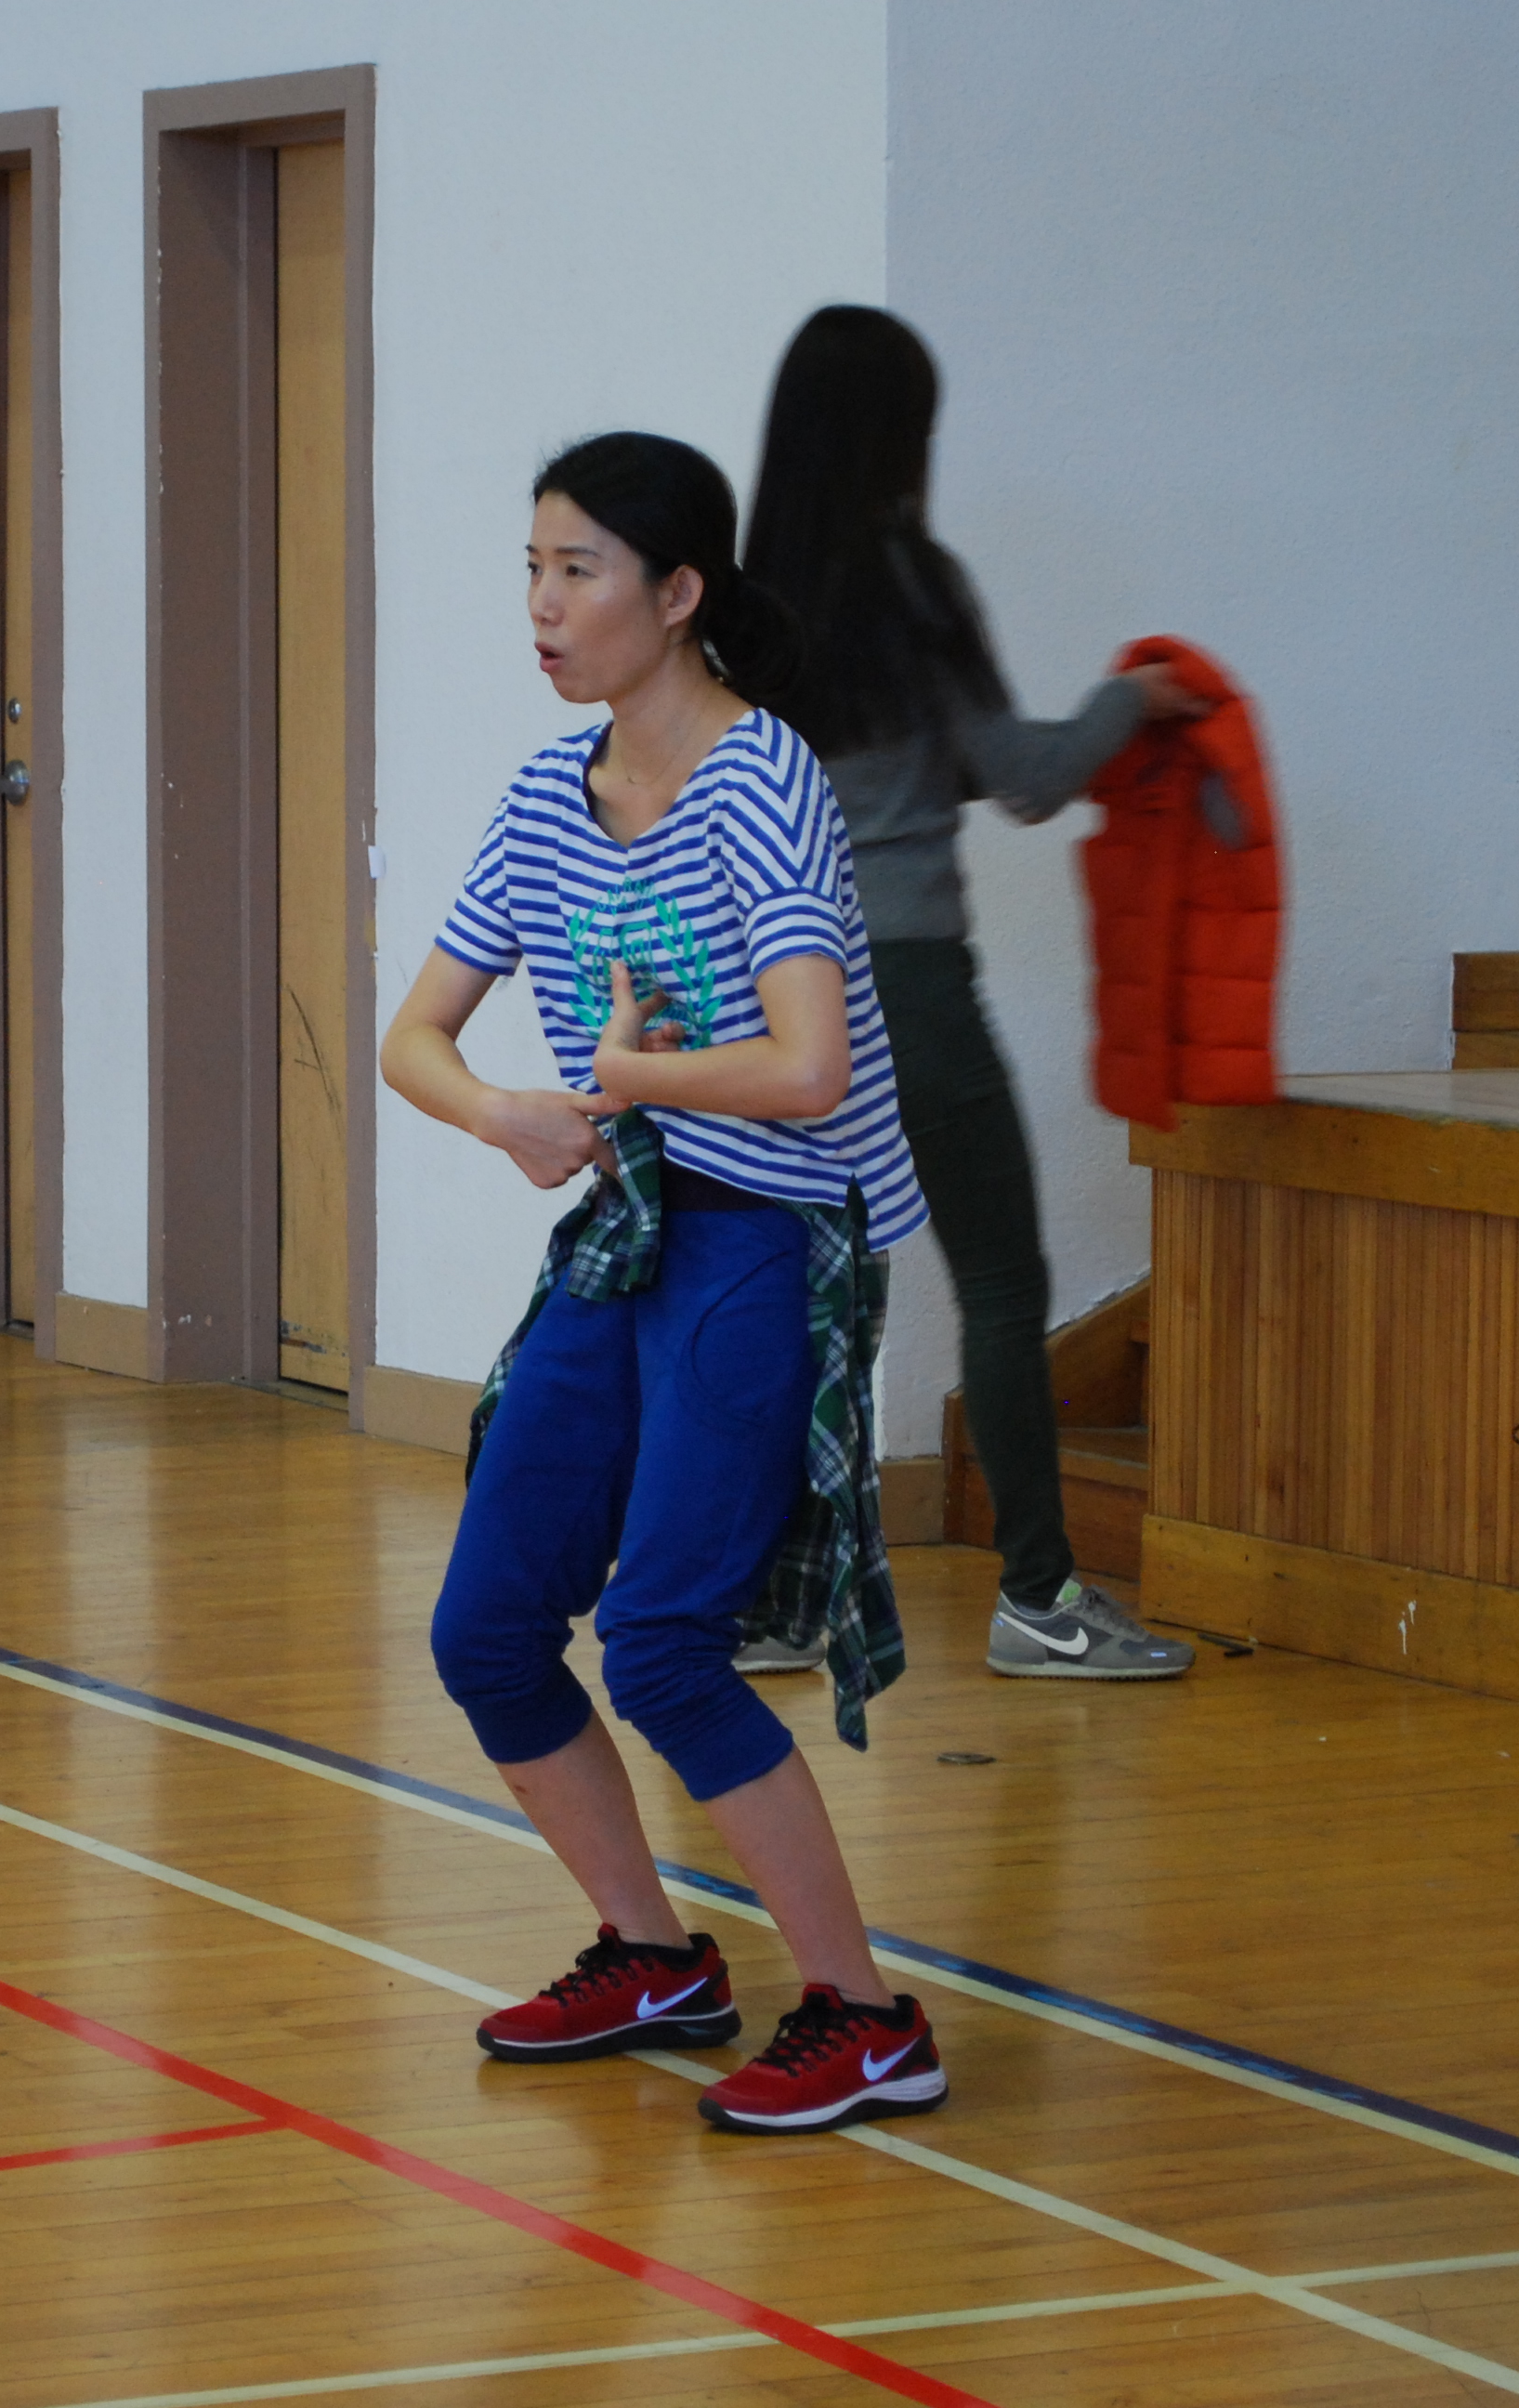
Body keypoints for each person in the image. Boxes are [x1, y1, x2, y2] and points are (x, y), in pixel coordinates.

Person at [383, 431, 942, 2136]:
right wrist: (506, 1114)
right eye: (532, 571)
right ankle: (654, 1956)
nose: (544, 608)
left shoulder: (762, 782)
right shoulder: (547, 796)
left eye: (581, 572)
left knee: (664, 1644)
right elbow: (416, 1035)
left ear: (679, 592)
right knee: (488, 1631)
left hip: (771, 1234)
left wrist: (625, 1077)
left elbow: (809, 1071)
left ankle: (867, 2017)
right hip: (631, 1230)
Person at [741, 303, 1198, 1682]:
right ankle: (1039, 1600)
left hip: (769, 991)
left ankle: (769, 1603)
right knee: (1001, 1281)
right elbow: (1030, 776)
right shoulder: (911, 585)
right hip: (908, 984)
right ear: (899, 438)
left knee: (798, 1293)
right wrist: (1136, 699)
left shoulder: (742, 608)